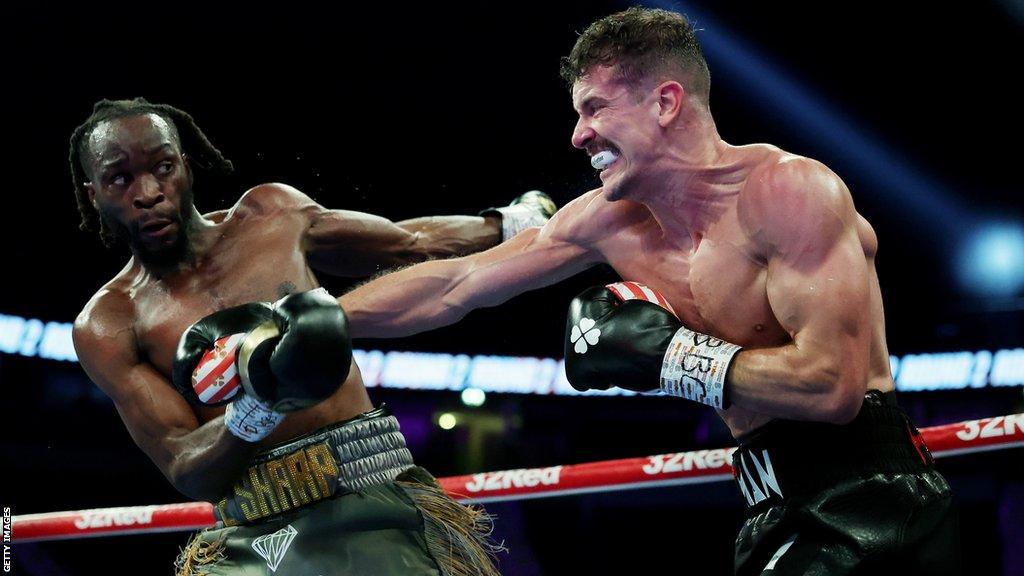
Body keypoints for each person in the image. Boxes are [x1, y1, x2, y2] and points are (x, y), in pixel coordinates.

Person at [337, 8, 960, 575]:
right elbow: (457, 284)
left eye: (594, 108)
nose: (578, 135)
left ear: (665, 102)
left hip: (873, 505)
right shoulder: (608, 220)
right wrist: (303, 321)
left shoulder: (789, 192)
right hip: (770, 509)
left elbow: (833, 387)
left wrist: (671, 358)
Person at [69, 97, 555, 575]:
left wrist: (513, 223)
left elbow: (411, 244)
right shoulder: (111, 323)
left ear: (187, 167)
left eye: (163, 167)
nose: (148, 191)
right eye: (120, 178)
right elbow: (183, 463)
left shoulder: (271, 216)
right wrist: (260, 402)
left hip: (370, 493)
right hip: (251, 533)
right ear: (94, 194)